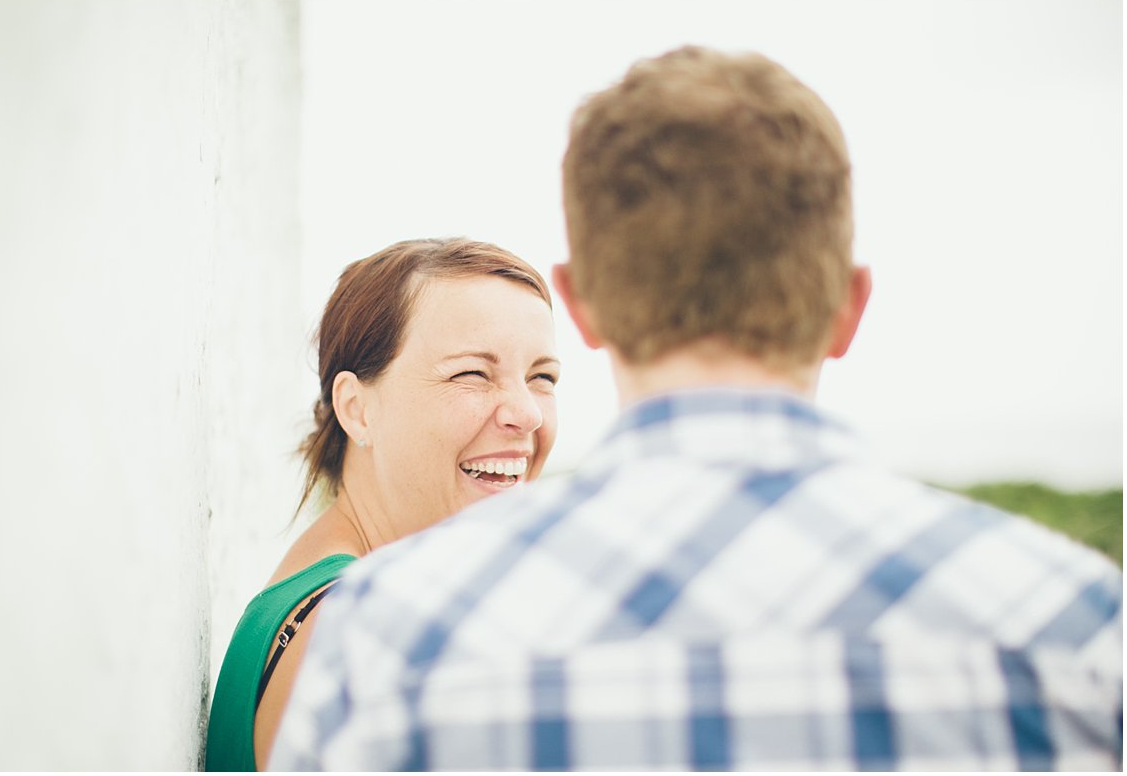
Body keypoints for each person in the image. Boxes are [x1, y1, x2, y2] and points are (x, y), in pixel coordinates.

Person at [269, 48, 1123, 771]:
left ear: (585, 306)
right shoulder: (1080, 630)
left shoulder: (390, 636)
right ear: (850, 307)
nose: (520, 413)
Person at [204, 237, 561, 771]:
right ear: (356, 408)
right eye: (472, 374)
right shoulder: (354, 632)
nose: (527, 413)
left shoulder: (324, 601)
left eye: (543, 378)